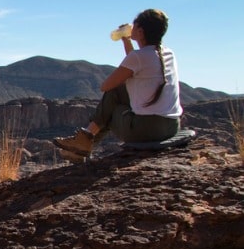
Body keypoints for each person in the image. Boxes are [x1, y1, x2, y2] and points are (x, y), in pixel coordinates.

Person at [53, 9, 182, 162]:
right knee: (118, 93)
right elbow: (139, 64)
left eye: (134, 27)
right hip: (172, 126)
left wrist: (126, 41)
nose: (131, 28)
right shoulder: (168, 53)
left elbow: (106, 86)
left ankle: (82, 145)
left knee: (112, 100)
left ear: (140, 32)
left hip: (147, 130)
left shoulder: (138, 57)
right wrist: (126, 40)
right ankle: (82, 146)